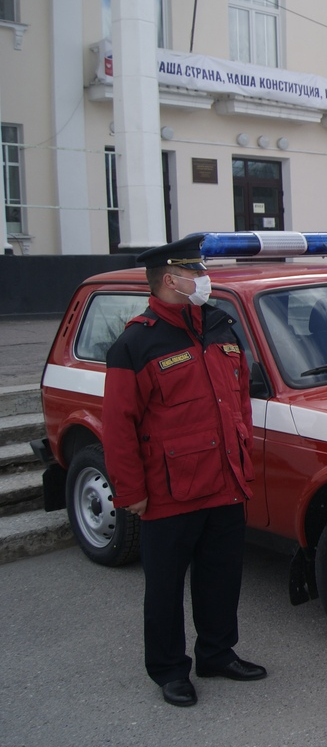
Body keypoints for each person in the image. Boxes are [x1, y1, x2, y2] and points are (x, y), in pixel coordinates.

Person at [102, 234, 265, 709]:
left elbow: (238, 402)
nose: (203, 279)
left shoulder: (219, 325)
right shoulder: (136, 342)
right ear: (170, 279)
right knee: (165, 587)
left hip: (223, 481)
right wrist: (128, 491)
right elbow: (118, 427)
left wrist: (242, 461)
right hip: (168, 491)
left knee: (221, 576)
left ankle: (217, 652)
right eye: (194, 272)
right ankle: (170, 670)